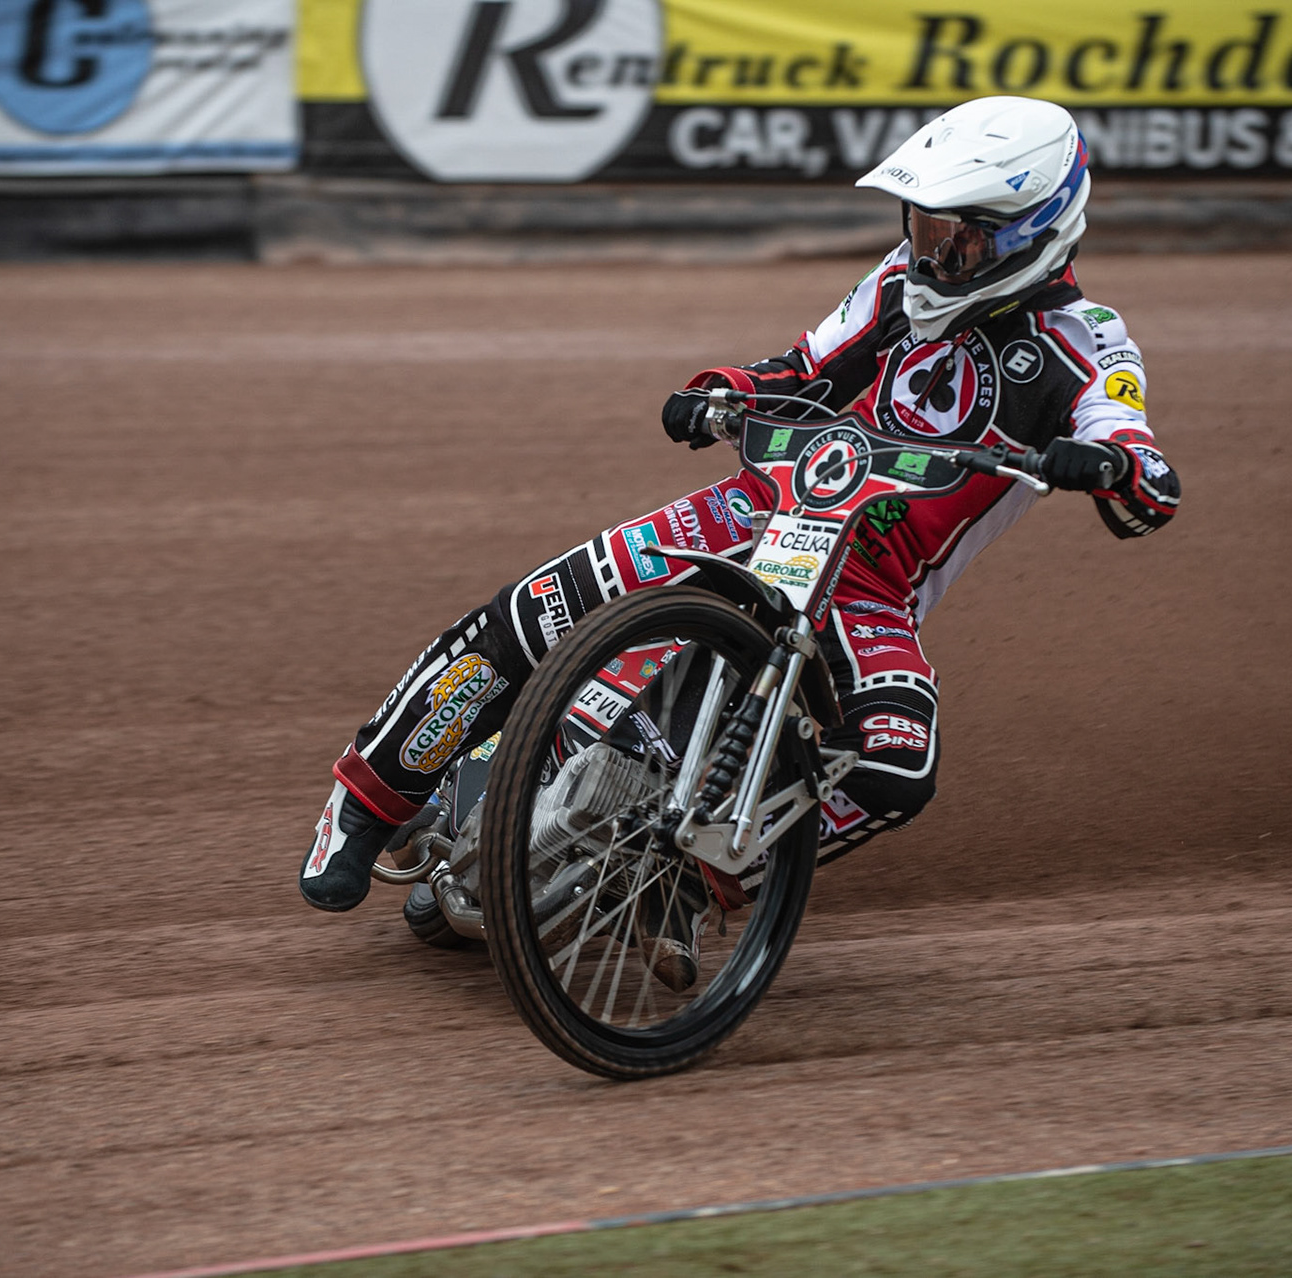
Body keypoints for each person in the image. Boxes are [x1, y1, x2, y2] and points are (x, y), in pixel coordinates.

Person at [300, 95, 1181, 942]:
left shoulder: (1088, 340)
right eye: (921, 227)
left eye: (957, 238)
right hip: (763, 503)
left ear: (1032, 231)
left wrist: (1108, 465)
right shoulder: (896, 284)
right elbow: (804, 367)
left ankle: (686, 875)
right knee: (543, 606)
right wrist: (726, 389)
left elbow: (1144, 470)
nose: (929, 255)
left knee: (895, 766)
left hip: (870, 586)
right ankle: (369, 802)